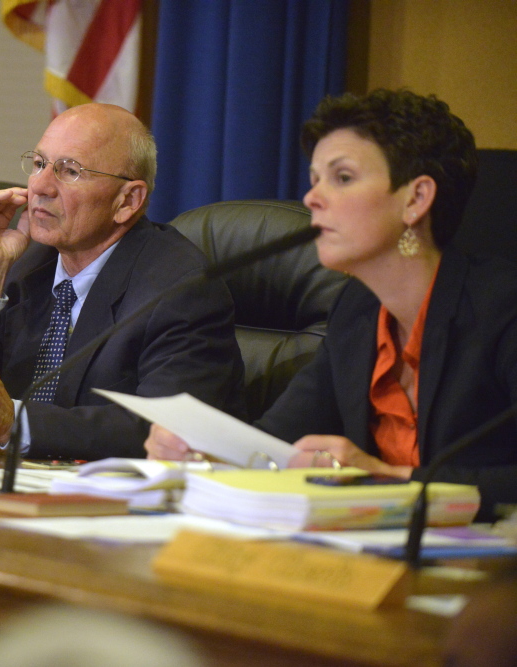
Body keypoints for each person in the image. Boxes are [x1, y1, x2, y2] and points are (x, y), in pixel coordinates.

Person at [146, 89, 517, 521]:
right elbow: (276, 442)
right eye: (315, 179)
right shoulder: (357, 310)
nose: (312, 198)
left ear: (416, 199)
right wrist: (205, 451)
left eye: (341, 178)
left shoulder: (502, 307)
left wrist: (388, 477)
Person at [0, 103, 245, 460]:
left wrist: (15, 421)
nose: (40, 187)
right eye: (39, 164)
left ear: (127, 201)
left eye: (69, 171)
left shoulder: (182, 290)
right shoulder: (26, 268)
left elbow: (163, 434)